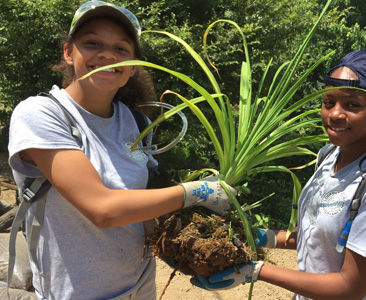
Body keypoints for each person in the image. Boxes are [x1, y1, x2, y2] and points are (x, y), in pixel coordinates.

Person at [7, 1, 234, 299]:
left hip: (140, 285)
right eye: (92, 43)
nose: (106, 55)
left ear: (133, 67)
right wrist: (193, 192)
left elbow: (139, 208)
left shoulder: (134, 121)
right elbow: (102, 209)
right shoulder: (41, 114)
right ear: (68, 52)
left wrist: (186, 258)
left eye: (121, 49)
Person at [192, 50, 366, 299]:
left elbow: (349, 288)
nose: (335, 113)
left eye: (352, 105)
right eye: (328, 102)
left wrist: (255, 271)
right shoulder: (328, 156)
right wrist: (262, 237)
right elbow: (320, 238)